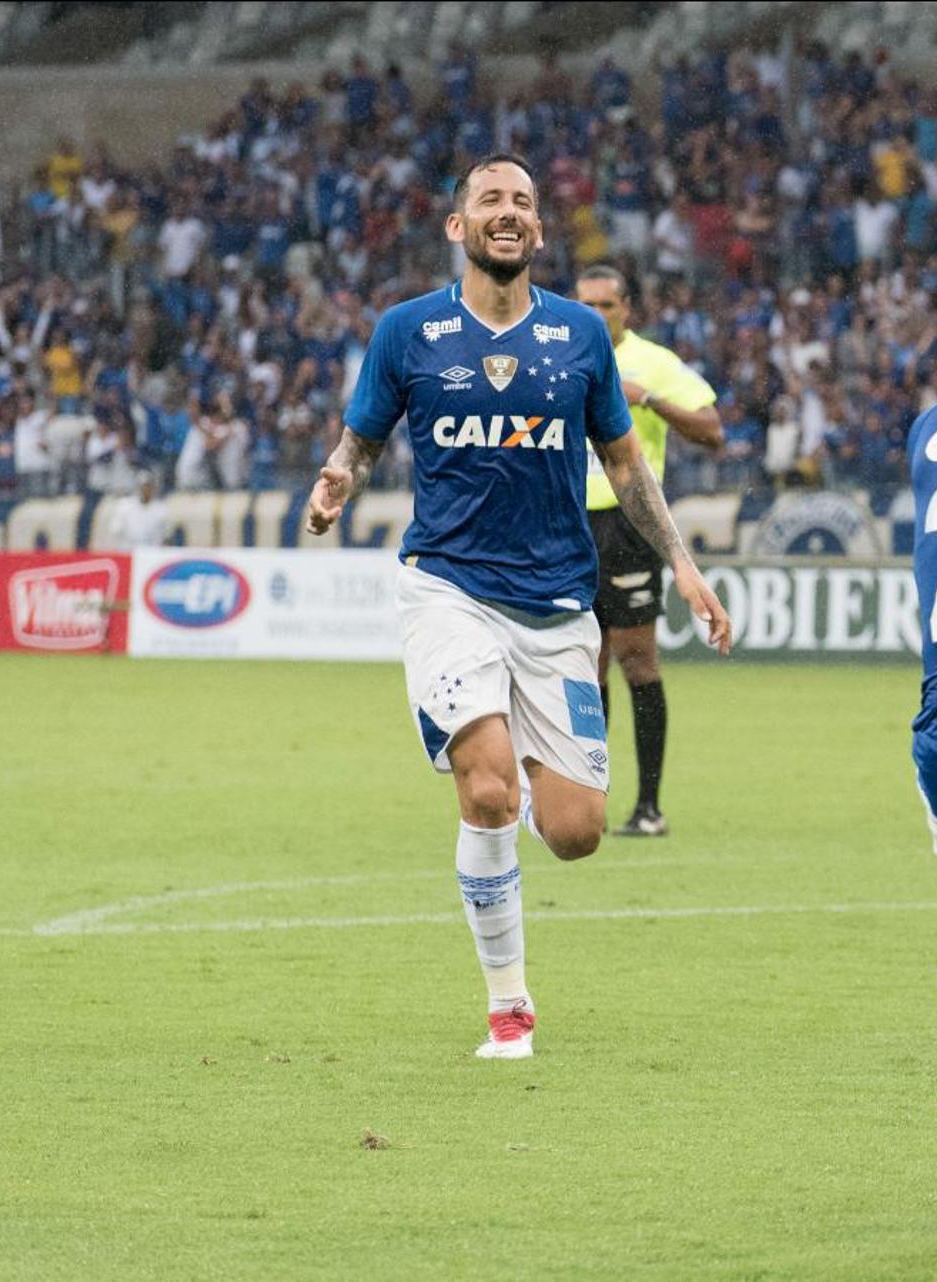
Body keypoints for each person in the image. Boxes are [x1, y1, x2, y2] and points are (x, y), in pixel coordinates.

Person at [302, 153, 732, 1060]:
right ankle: (510, 1007)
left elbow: (623, 463)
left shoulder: (580, 336)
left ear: (537, 232)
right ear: (458, 227)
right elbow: (363, 440)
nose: (508, 213)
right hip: (448, 587)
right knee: (490, 788)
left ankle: (529, 786)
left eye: (524, 204)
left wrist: (684, 567)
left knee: (575, 833)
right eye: (490, 200)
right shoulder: (408, 331)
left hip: (557, 604)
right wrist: (339, 476)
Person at [573, 264, 724, 837]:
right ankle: (587, 801)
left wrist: (652, 401)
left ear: (626, 310)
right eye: (583, 304)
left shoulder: (654, 363)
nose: (594, 315)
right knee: (584, 666)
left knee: (636, 658)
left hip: (629, 525)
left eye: (605, 306)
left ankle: (649, 807)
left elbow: (712, 430)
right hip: (567, 524)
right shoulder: (557, 353)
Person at [104, 470, 171, 548]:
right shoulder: (124, 506)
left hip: (152, 553)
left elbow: (166, 535)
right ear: (137, 487)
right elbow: (115, 530)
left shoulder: (161, 509)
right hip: (128, 552)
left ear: (154, 488)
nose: (146, 490)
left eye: (149, 486)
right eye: (143, 486)